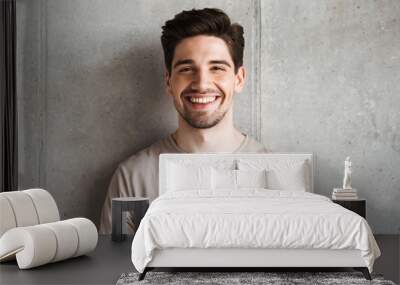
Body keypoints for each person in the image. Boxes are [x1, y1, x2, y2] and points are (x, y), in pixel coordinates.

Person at [99, 8, 268, 234]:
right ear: (169, 82)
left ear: (238, 79)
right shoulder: (133, 177)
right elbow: (116, 267)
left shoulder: (274, 174)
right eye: (187, 69)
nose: (201, 83)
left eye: (217, 68)